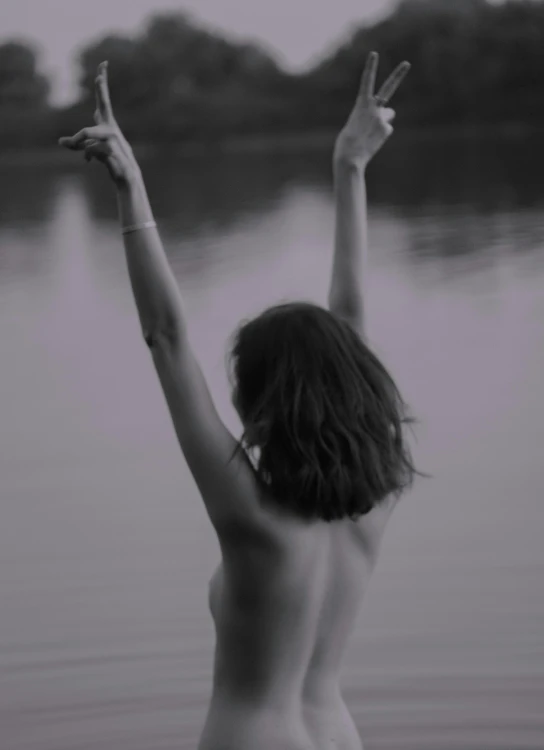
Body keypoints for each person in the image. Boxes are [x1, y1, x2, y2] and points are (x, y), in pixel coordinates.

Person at [60, 51, 419, 750]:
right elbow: (348, 336)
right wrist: (350, 170)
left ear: (260, 407)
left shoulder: (250, 520)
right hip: (341, 736)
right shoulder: (375, 508)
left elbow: (166, 337)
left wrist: (129, 186)